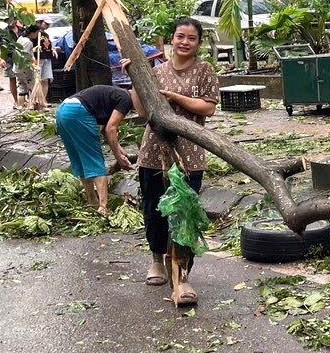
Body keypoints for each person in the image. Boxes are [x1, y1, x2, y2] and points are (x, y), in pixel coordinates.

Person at [128, 17, 219, 306]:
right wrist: (134, 80)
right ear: (172, 38)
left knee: (185, 214)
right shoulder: (156, 72)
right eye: (180, 36)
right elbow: (143, 112)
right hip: (154, 153)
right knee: (153, 209)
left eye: (191, 38)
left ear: (198, 43)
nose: (185, 42)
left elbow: (208, 108)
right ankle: (156, 260)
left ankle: (183, 276)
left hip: (189, 154)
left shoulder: (205, 71)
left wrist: (175, 98)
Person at [55, 85, 134, 216]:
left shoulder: (118, 95)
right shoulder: (126, 99)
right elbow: (110, 129)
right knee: (94, 159)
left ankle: (92, 202)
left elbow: (105, 130)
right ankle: (103, 207)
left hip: (62, 110)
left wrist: (119, 149)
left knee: (81, 159)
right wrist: (118, 158)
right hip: (78, 112)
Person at [14, 24, 40, 108]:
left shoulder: (20, 38)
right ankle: (33, 106)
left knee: (21, 89)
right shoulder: (28, 42)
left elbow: (22, 51)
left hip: (17, 68)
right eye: (37, 32)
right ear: (32, 32)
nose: (37, 35)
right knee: (33, 87)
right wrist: (34, 66)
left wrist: (34, 49)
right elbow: (25, 57)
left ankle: (20, 108)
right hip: (25, 69)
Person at [36, 19, 57, 103]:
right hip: (39, 58)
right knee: (38, 80)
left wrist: (53, 49)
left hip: (47, 57)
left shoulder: (46, 35)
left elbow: (48, 45)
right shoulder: (35, 34)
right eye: (46, 23)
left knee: (45, 79)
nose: (47, 25)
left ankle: (43, 99)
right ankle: (38, 99)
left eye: (48, 24)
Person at [0, 21, 20, 106]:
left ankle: (24, 99)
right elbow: (0, 46)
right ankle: (16, 100)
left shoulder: (22, 30)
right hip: (9, 58)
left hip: (22, 57)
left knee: (24, 78)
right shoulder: (3, 32)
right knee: (12, 79)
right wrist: (1, 59)